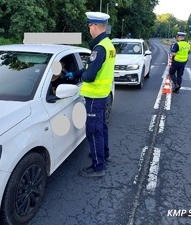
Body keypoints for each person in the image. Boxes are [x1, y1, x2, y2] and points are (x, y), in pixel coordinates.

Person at [65, 11, 116, 177]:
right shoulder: (108, 45)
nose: (89, 29)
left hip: (94, 96)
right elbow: (90, 69)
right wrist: (76, 73)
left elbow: (90, 75)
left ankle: (97, 167)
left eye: (89, 26)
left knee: (93, 131)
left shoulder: (99, 48)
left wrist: (80, 75)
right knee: (101, 127)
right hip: (103, 94)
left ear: (94, 26)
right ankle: (104, 154)